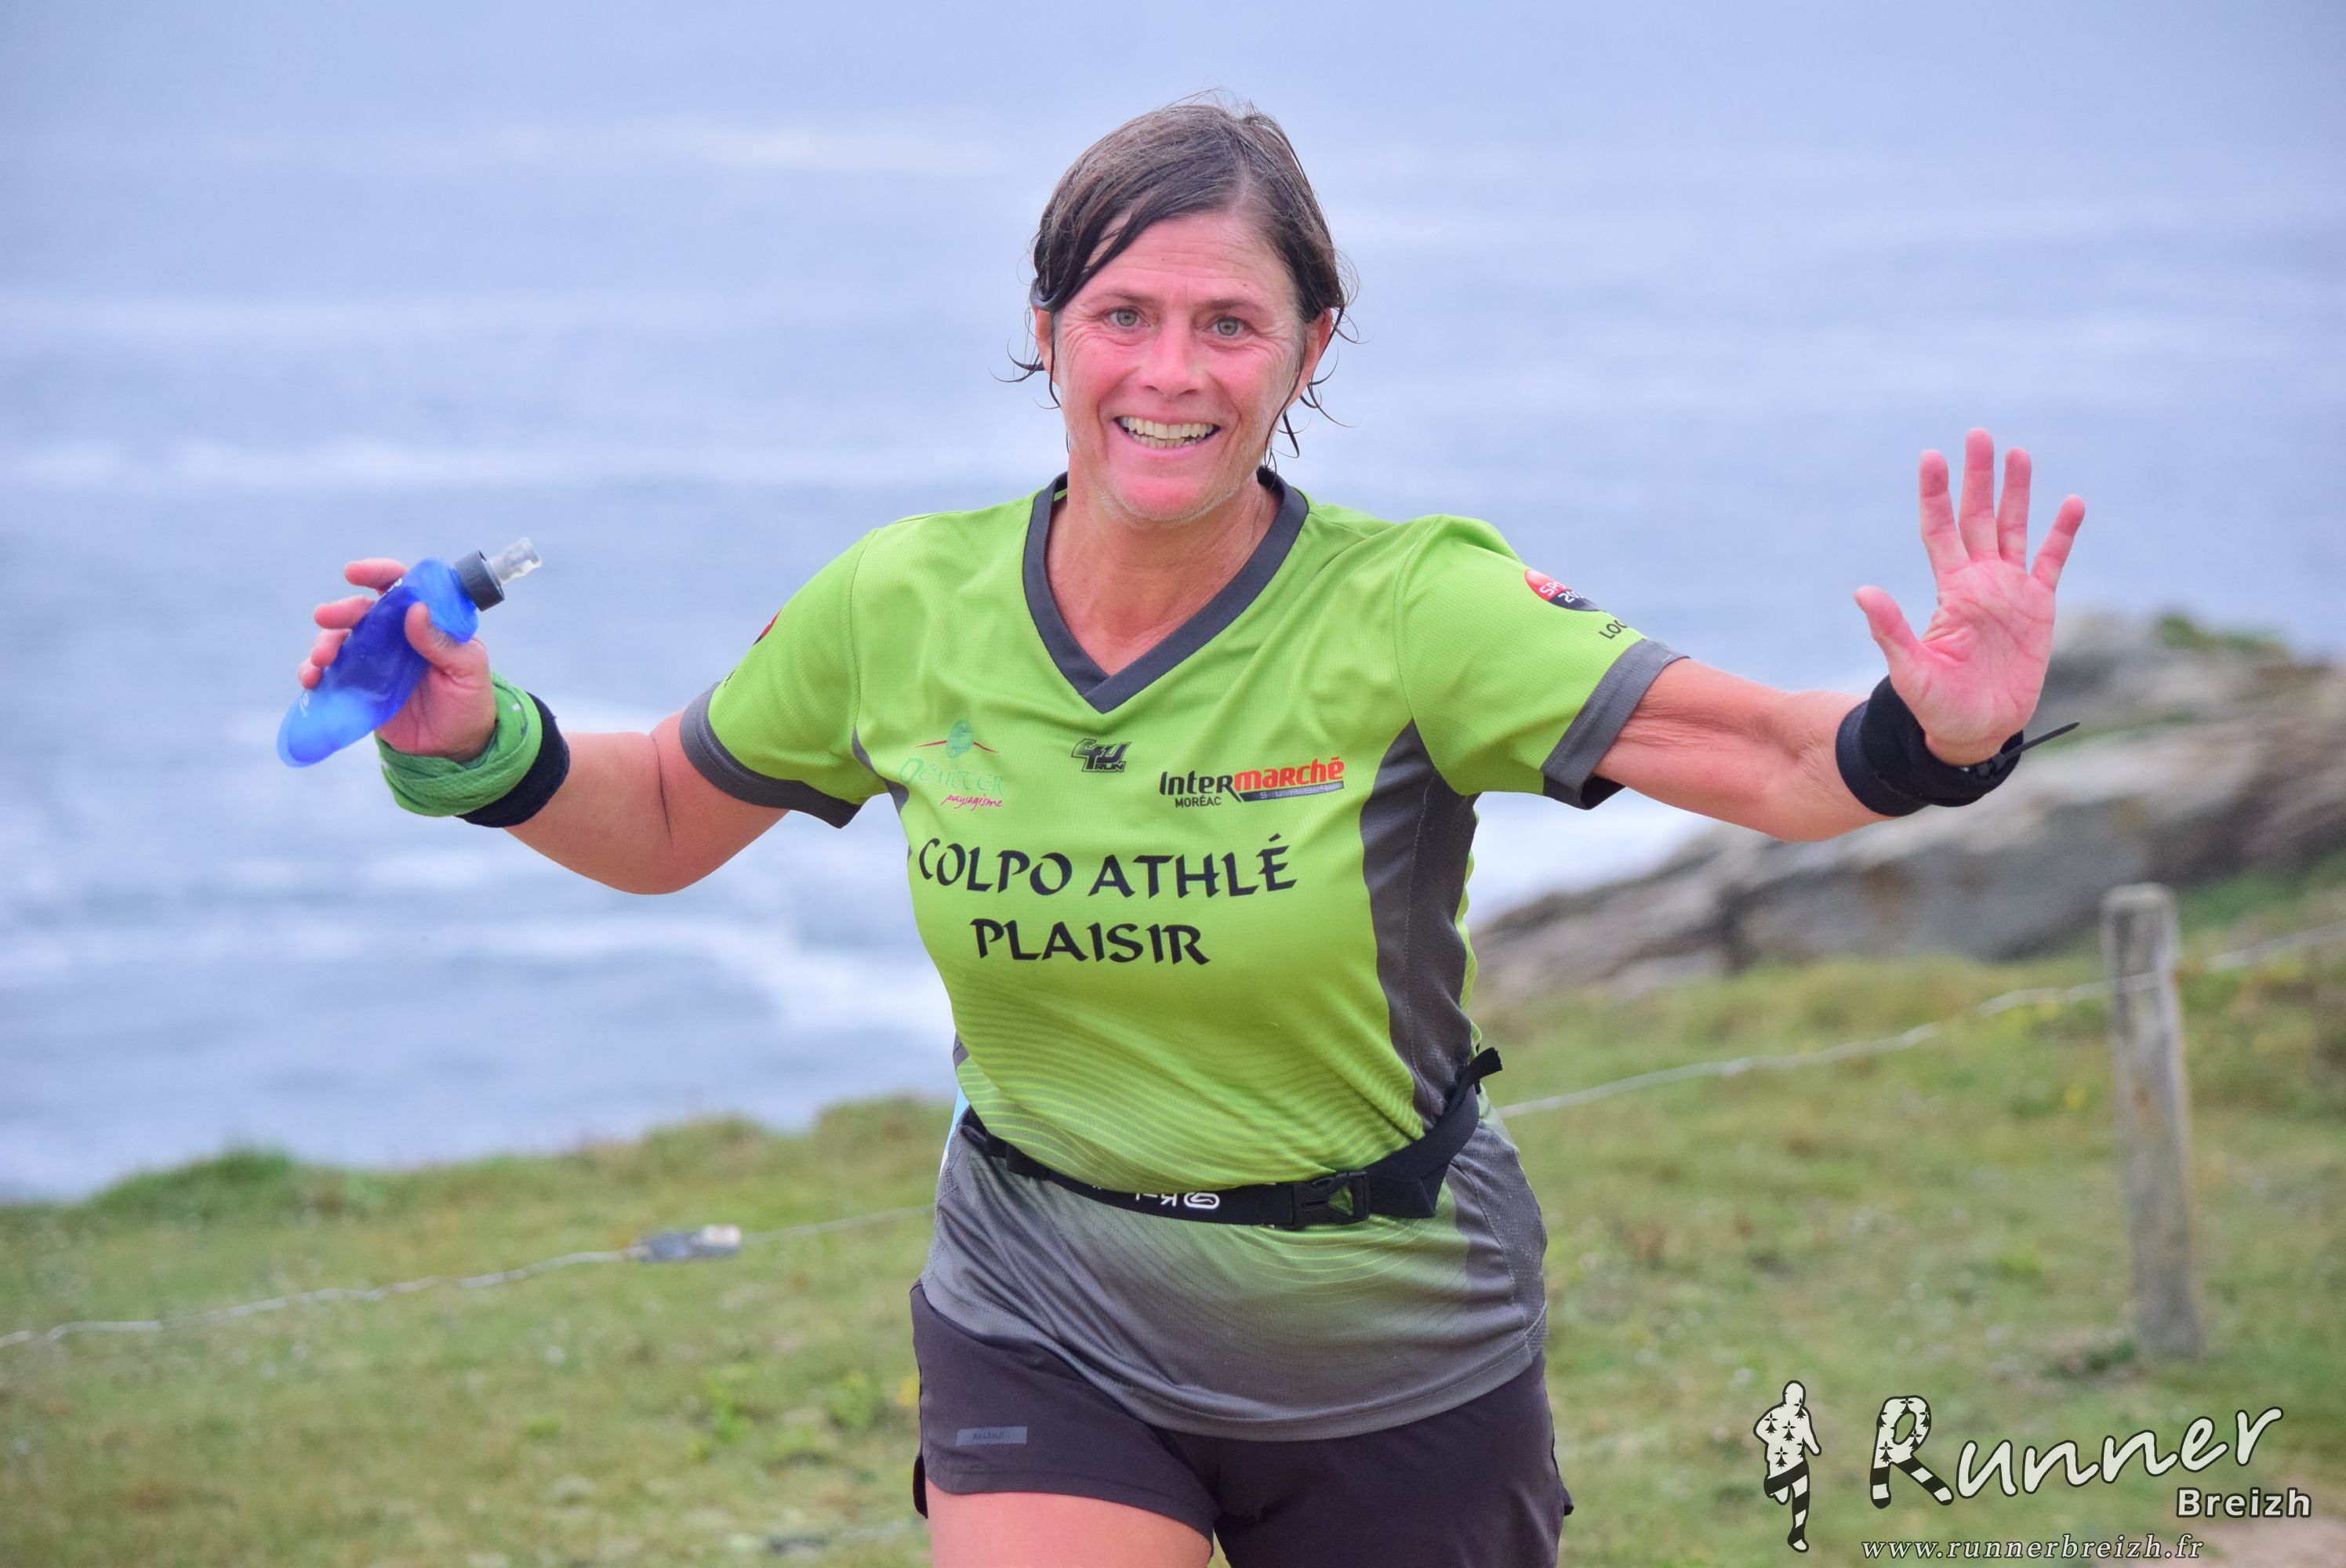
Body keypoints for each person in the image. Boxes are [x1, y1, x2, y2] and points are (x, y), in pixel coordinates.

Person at [295, 99, 2085, 1568]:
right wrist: (477, 744)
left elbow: (1777, 764)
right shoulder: (900, 602)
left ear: (1309, 350)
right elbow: (668, 817)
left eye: (1229, 323)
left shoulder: (1417, 609)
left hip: (1385, 1328)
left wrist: (1940, 730)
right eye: (1123, 316)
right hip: (1042, 1298)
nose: (1171, 370)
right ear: (1047, 332)